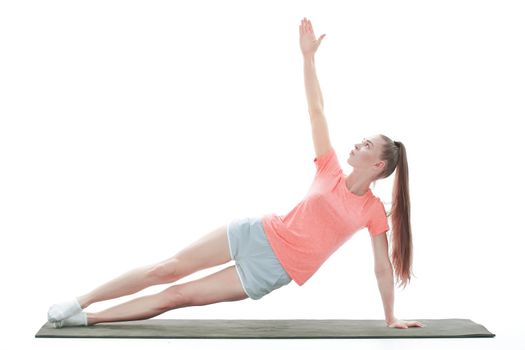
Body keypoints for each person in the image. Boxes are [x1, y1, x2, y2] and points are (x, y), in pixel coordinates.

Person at [46, 17, 424, 330]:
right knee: (167, 268)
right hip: (255, 232)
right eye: (360, 140)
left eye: (366, 146)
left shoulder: (372, 212)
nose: (357, 145)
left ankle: (88, 319)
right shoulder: (330, 169)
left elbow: (381, 266)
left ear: (378, 166)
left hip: (270, 270)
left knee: (176, 297)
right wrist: (308, 59)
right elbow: (317, 111)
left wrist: (390, 317)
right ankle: (82, 298)